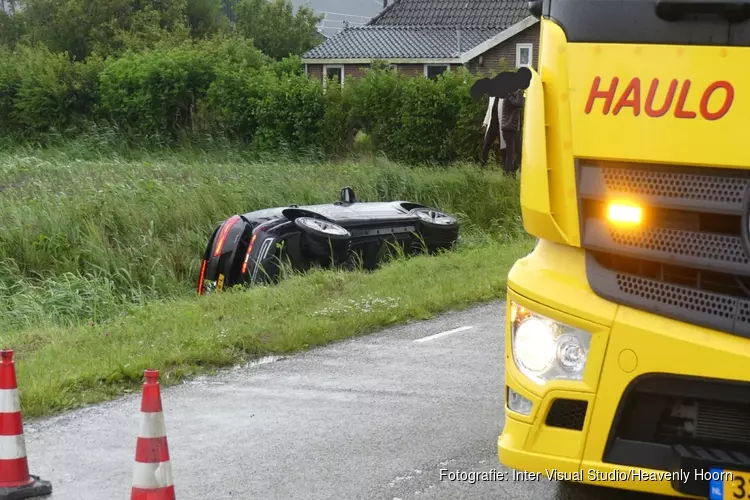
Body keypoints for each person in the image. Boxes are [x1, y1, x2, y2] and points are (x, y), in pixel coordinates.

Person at [501, 89, 525, 176]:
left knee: (518, 152)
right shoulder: (508, 95)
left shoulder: (514, 95)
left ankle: (511, 172)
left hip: (515, 128)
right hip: (508, 128)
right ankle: (508, 175)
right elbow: (519, 104)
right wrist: (520, 92)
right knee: (511, 153)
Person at [481, 96, 506, 166]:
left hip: (501, 125)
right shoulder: (491, 96)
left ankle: (506, 170)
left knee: (503, 149)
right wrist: (485, 122)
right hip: (492, 125)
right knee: (486, 146)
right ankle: (481, 167)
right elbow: (489, 109)